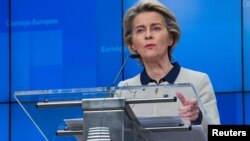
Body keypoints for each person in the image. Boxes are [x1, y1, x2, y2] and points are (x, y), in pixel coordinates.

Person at [118, 0, 220, 134]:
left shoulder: (199, 81)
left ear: (170, 38)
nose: (148, 35)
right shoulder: (124, 89)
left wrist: (198, 117)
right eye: (140, 30)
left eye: (156, 28)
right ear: (133, 44)